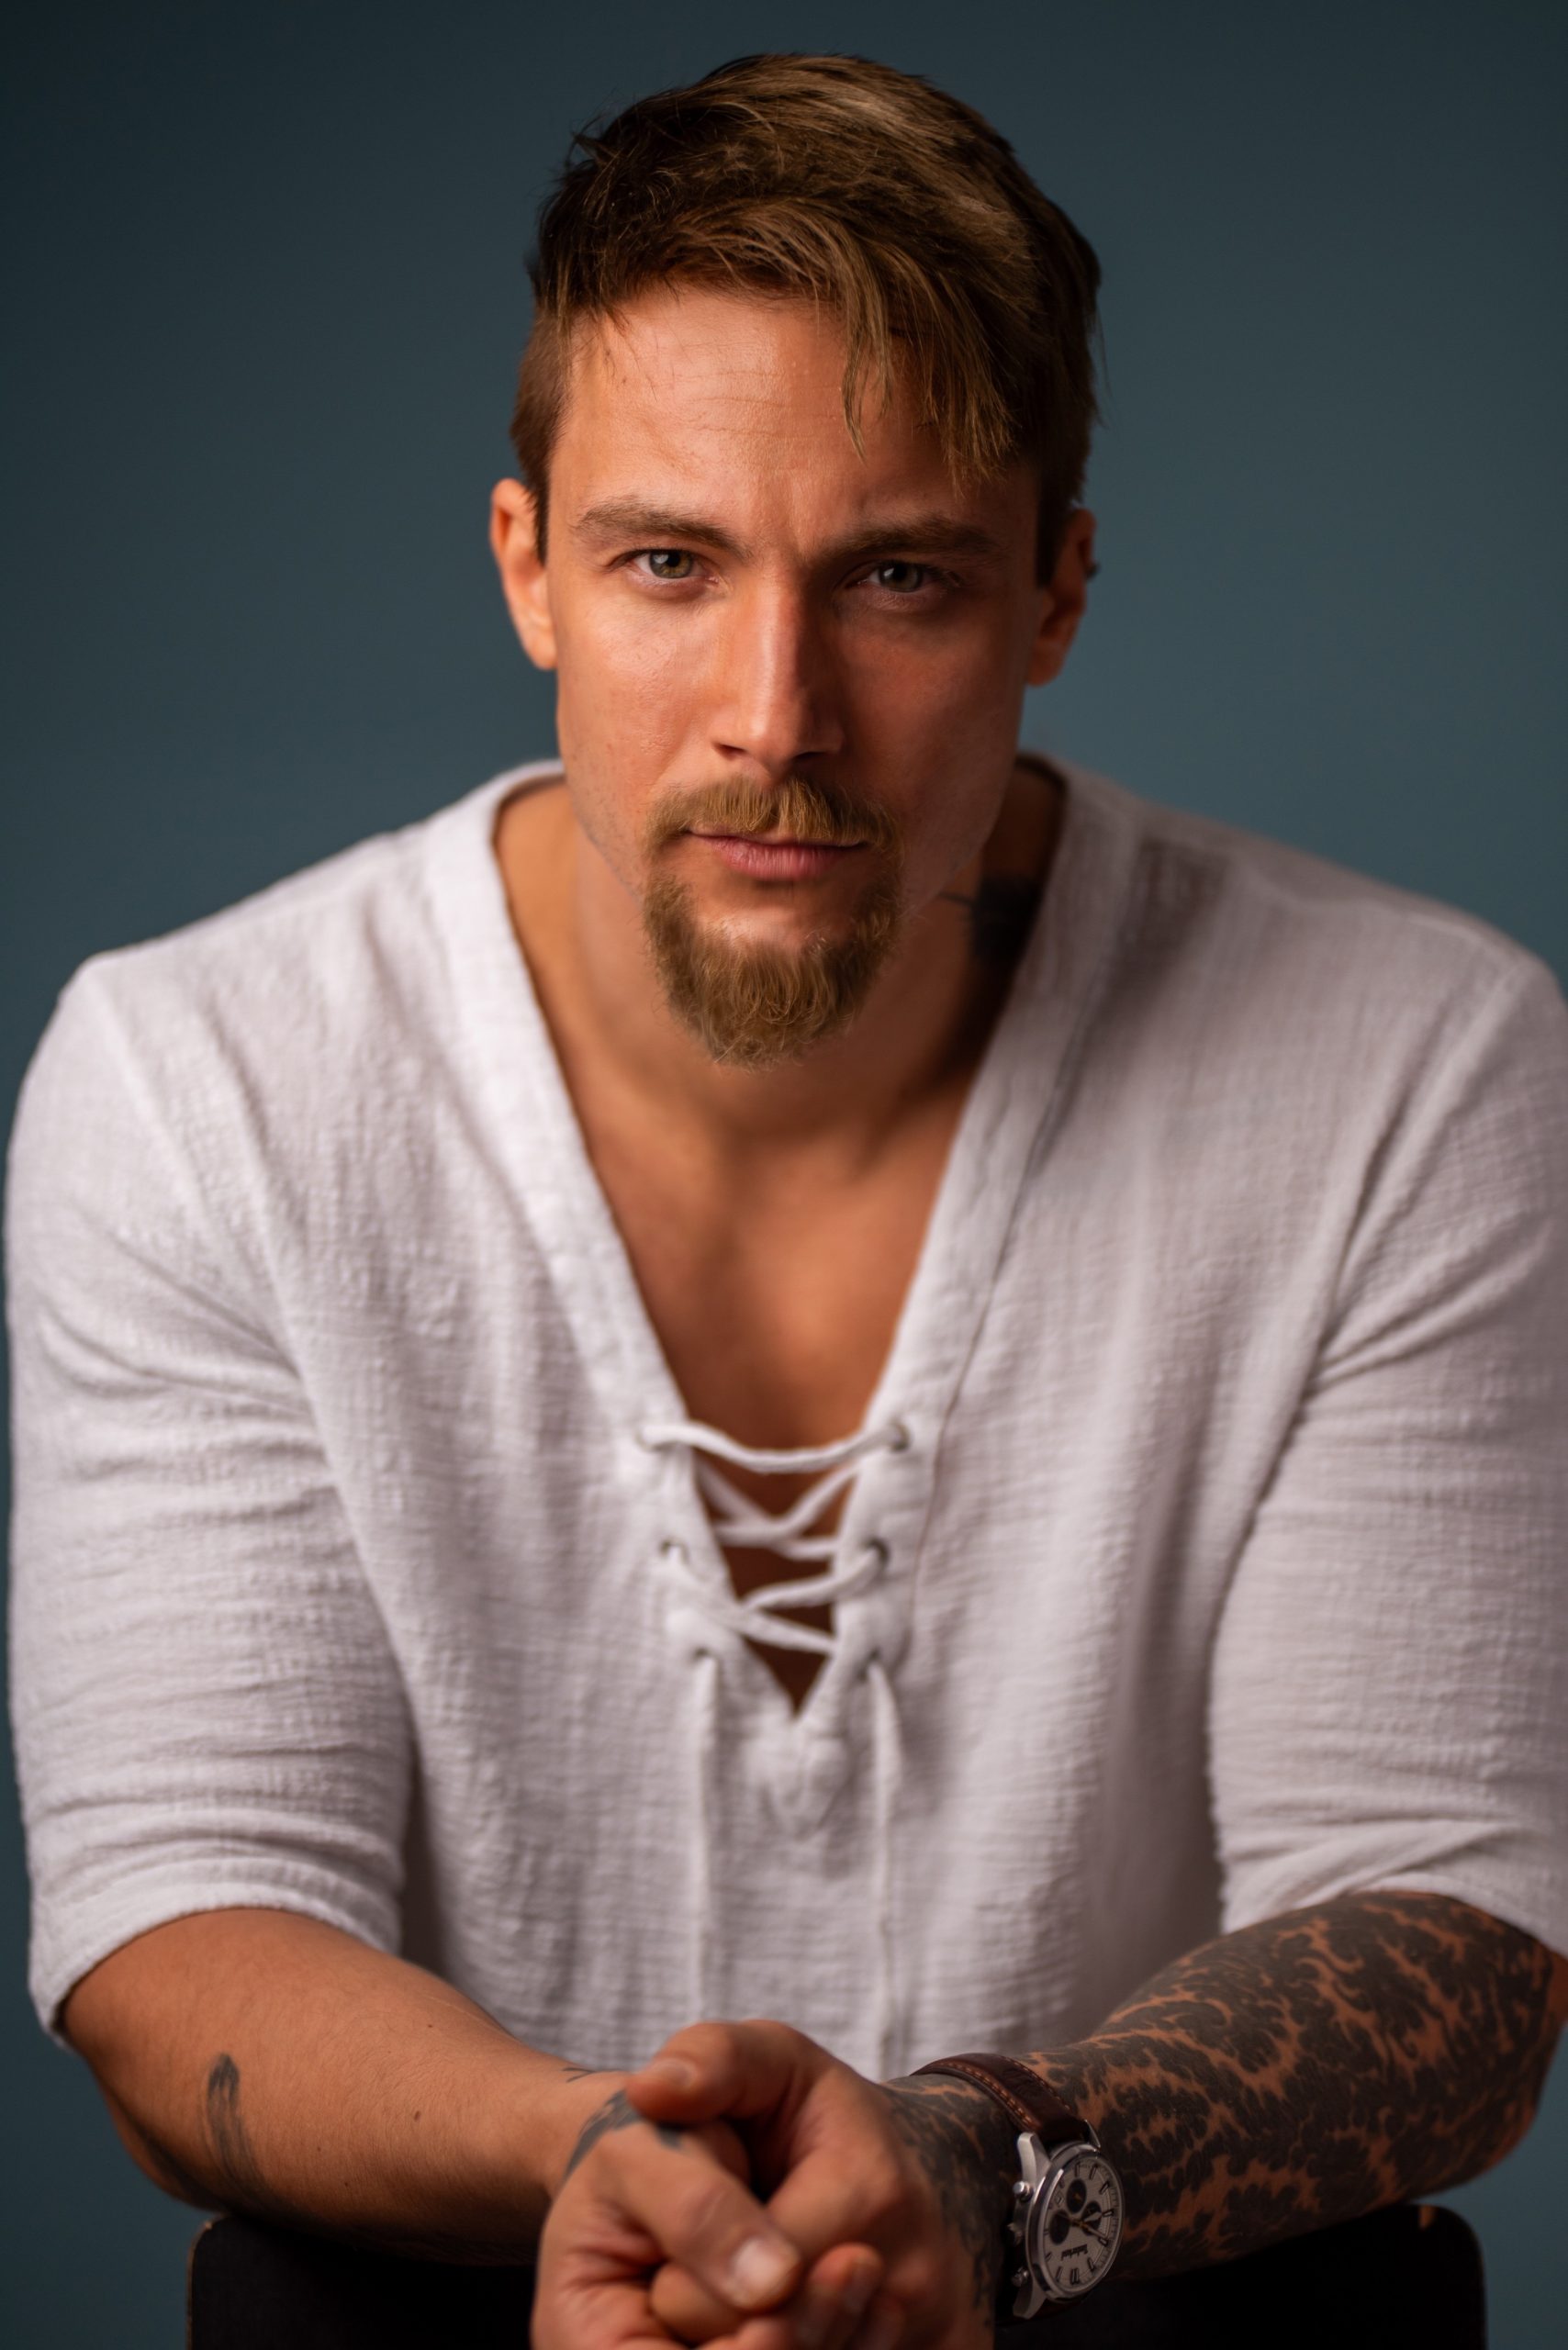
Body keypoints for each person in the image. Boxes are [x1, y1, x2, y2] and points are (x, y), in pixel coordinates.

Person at [7, 50, 1567, 2350]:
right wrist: (597, 2163)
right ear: (527, 568)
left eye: (896, 578)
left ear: (1054, 591)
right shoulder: (202, 1084)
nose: (775, 713)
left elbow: (1448, 1926)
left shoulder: (1410, 1065)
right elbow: (181, 1920)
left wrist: (976, 2171)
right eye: (668, 561)